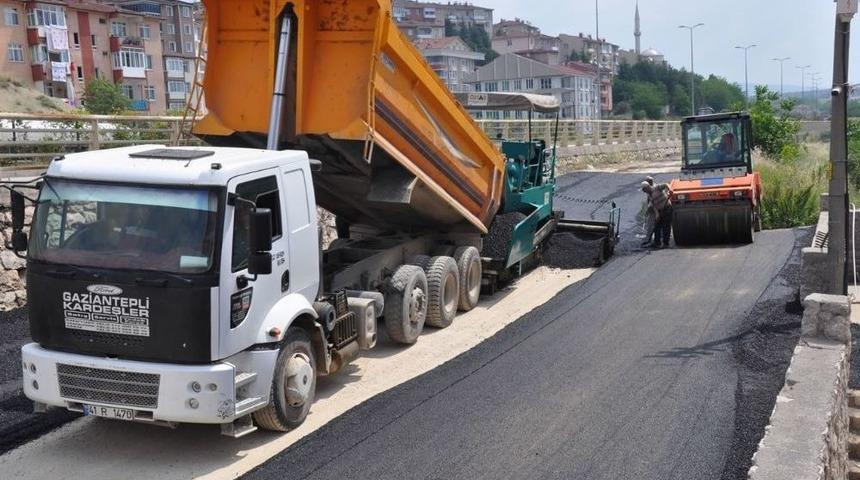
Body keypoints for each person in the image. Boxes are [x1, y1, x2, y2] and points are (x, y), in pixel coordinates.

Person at [641, 180, 673, 248]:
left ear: (647, 187)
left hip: (667, 208)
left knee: (666, 226)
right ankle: (657, 242)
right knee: (657, 226)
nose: (644, 192)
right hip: (660, 210)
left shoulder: (657, 188)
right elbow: (653, 205)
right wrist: (657, 214)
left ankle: (665, 243)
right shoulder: (649, 195)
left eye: (644, 190)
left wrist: (670, 189)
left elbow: (666, 184)